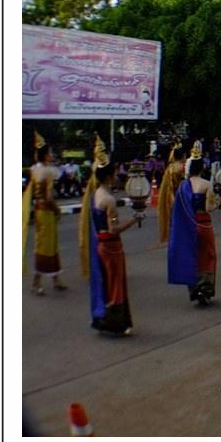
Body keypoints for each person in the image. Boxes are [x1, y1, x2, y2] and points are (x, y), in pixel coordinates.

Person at [79, 134, 141, 336]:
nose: (117, 176)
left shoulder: (95, 195)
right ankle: (113, 322)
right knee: (115, 284)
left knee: (107, 282)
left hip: (101, 245)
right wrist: (134, 219)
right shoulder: (109, 200)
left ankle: (105, 318)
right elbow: (113, 229)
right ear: (107, 176)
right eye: (114, 173)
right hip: (111, 246)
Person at [167, 141, 218, 306]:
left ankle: (194, 288)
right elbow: (209, 207)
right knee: (208, 256)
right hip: (204, 224)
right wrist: (219, 201)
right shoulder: (206, 184)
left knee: (193, 255)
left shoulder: (183, 186)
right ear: (202, 168)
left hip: (189, 225)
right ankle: (205, 288)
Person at [23, 130, 68, 295]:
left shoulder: (35, 169)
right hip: (47, 212)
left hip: (39, 211)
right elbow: (49, 197)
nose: (51, 155)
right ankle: (36, 282)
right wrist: (57, 210)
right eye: (49, 153)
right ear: (45, 155)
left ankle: (56, 280)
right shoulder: (47, 172)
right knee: (46, 246)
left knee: (49, 245)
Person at [158, 142, 186, 244]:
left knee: (173, 221)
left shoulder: (170, 167)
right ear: (183, 155)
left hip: (172, 196)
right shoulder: (183, 167)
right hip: (182, 197)